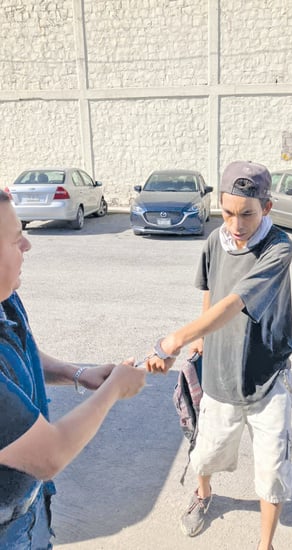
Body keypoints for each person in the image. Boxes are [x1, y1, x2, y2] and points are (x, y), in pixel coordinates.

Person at [146, 160, 292, 550]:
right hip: (218, 375)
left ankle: (265, 545)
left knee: (272, 471)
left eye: (247, 214)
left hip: (268, 379)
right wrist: (200, 337)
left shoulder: (279, 248)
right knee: (206, 453)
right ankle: (203, 494)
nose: (236, 225)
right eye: (228, 213)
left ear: (266, 208)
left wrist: (175, 339)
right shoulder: (216, 240)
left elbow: (234, 303)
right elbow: (211, 290)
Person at [0, 189, 146, 548]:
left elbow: (22, 353)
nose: (28, 246)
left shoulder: (6, 299)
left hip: (31, 509)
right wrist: (115, 389)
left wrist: (77, 374)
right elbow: (50, 455)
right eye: (17, 238)